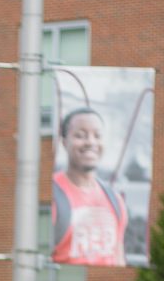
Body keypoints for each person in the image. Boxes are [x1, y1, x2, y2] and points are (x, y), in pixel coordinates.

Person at [50, 107, 132, 268]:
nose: (90, 142)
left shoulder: (115, 200)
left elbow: (118, 258)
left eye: (97, 136)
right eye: (80, 135)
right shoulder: (49, 194)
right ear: (64, 142)